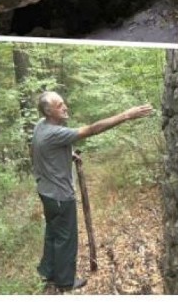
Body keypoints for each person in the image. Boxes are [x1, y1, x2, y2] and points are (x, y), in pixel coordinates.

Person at [32, 91, 153, 291]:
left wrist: (68, 153)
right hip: (61, 197)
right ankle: (65, 281)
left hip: (46, 192)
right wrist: (126, 115)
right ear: (48, 111)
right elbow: (92, 129)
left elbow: (40, 148)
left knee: (53, 232)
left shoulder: (40, 127)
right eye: (59, 105)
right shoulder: (55, 133)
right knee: (66, 238)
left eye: (64, 102)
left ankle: (48, 270)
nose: (65, 107)